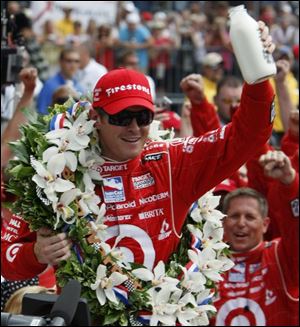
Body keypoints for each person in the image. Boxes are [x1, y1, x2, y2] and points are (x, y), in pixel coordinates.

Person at [1, 22, 276, 279]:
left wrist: (257, 70)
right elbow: (7, 258)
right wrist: (35, 253)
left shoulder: (173, 160)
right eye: (121, 118)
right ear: (96, 117)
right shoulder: (58, 168)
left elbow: (248, 136)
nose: (134, 128)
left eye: (142, 117)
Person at [213, 150, 299, 326]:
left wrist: (289, 181)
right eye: (234, 216)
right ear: (223, 222)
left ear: (266, 224)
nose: (241, 223)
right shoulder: (205, 266)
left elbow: (294, 227)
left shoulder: (281, 256)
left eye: (250, 217)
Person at [37, 48, 83, 115]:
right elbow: (42, 112)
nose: (73, 65)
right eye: (69, 61)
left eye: (76, 61)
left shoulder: (80, 87)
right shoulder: (49, 85)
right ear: (60, 62)